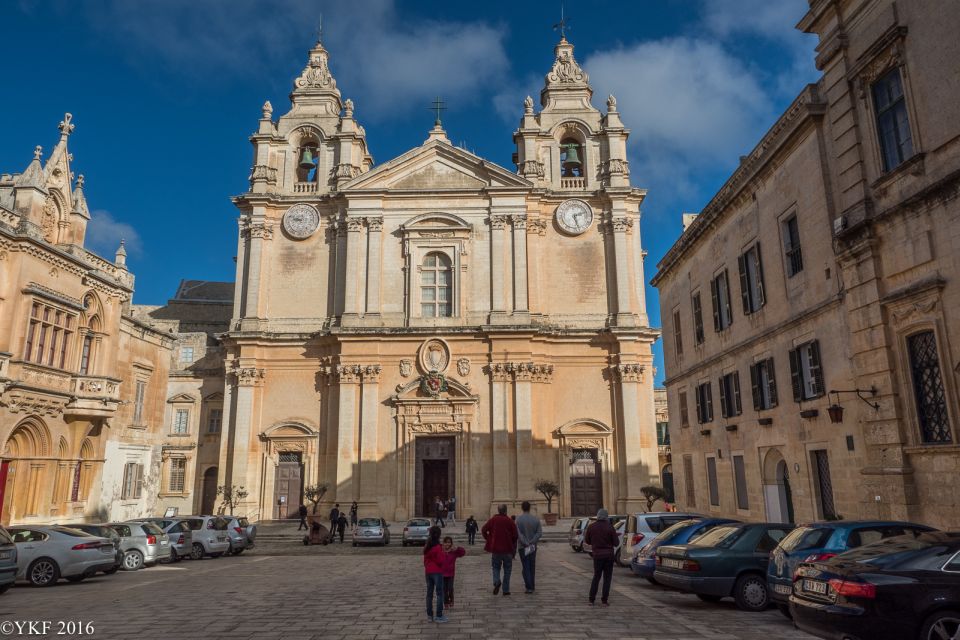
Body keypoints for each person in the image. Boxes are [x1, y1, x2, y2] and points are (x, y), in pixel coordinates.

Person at [584, 508, 619, 606]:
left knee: (596, 577)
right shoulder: (610, 527)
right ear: (606, 517)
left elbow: (587, 541)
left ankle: (591, 600)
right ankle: (604, 601)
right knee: (607, 579)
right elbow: (616, 543)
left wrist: (595, 543)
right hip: (609, 556)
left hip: (597, 556)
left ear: (598, 516)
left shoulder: (591, 527)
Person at [481, 504, 519, 596]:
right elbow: (515, 535)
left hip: (496, 550)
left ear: (498, 511)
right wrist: (511, 542)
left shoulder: (493, 520)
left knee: (496, 567)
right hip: (507, 550)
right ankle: (506, 590)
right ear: (506, 511)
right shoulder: (510, 521)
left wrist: (489, 539)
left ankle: (497, 581)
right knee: (507, 569)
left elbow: (483, 529)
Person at [515, 500, 543, 594]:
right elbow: (539, 533)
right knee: (532, 566)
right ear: (529, 508)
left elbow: (518, 533)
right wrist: (532, 542)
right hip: (532, 547)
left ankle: (529, 587)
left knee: (525, 566)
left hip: (523, 547)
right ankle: (532, 585)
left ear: (522, 508)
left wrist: (525, 542)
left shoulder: (518, 520)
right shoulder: (536, 519)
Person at [423, 526, 449, 623]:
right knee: (439, 594)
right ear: (439, 535)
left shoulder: (427, 546)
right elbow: (440, 560)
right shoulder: (438, 547)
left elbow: (425, 560)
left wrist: (428, 566)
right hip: (437, 572)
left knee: (429, 594)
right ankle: (439, 616)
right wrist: (444, 554)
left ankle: (430, 616)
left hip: (428, 572)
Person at [440, 535, 466, 608]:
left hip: (450, 573)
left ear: (451, 543)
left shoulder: (453, 552)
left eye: (449, 542)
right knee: (444, 589)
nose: (447, 544)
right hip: (442, 574)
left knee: (450, 588)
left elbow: (463, 552)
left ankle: (451, 600)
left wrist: (457, 548)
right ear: (443, 543)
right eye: (446, 542)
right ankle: (446, 602)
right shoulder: (441, 551)